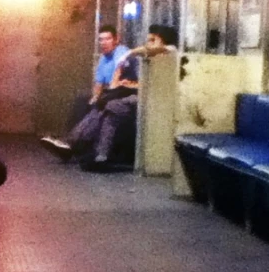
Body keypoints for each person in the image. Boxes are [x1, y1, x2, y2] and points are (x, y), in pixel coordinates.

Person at [40, 24, 177, 169]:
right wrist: (129, 84)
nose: (149, 43)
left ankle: (80, 147)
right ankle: (95, 153)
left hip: (159, 100)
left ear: (164, 41)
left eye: (153, 40)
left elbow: (151, 58)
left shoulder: (170, 52)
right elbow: (144, 84)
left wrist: (129, 53)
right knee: (108, 105)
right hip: (146, 96)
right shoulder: (152, 60)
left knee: (110, 104)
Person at [39, 24, 130, 161]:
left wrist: (103, 96)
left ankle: (69, 143)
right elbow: (99, 83)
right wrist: (94, 97)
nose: (103, 43)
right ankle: (71, 143)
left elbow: (119, 72)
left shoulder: (121, 51)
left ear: (116, 40)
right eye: (101, 39)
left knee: (102, 105)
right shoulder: (103, 58)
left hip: (124, 92)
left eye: (107, 39)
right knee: (83, 101)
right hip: (110, 92)